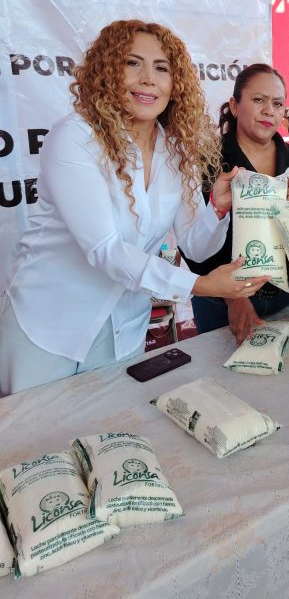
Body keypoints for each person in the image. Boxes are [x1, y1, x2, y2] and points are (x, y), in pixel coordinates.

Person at [0, 20, 270, 396]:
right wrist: (200, 285)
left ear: (175, 83)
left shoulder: (175, 149)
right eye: (132, 63)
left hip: (123, 332)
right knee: (36, 432)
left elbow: (196, 246)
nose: (148, 79)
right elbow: (104, 250)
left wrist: (218, 209)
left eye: (161, 68)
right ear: (107, 72)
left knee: (109, 429)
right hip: (48, 326)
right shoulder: (75, 138)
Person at [182, 64, 289, 344]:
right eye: (259, 100)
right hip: (221, 304)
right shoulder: (207, 162)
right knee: (219, 370)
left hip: (285, 297)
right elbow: (193, 241)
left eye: (277, 104)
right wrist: (232, 296)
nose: (269, 110)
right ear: (235, 106)